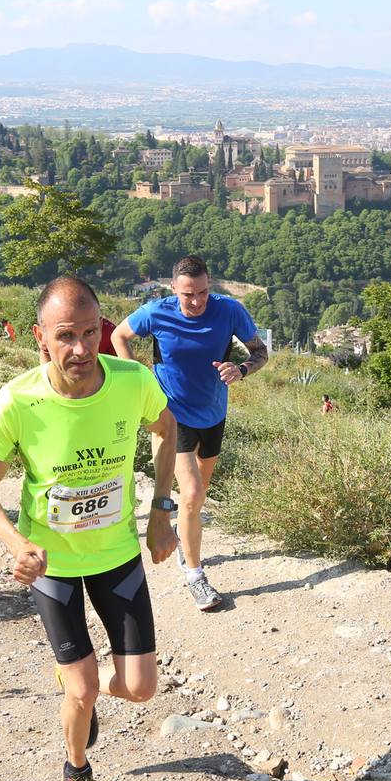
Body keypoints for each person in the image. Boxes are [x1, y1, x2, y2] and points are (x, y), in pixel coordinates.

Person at [0, 276, 179, 781]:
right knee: (82, 693)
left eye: (90, 332)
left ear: (103, 329)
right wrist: (18, 547)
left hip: (117, 554)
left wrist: (161, 509)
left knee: (140, 687)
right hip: (53, 565)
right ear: (40, 337)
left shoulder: (132, 381)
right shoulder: (18, 400)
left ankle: (78, 683)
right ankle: (77, 769)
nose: (81, 348)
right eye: (65, 336)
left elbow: (167, 428)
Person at [112, 255, 269, 612]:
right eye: (188, 295)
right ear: (173, 290)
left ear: (209, 285)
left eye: (202, 292)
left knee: (196, 499)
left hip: (214, 414)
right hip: (172, 417)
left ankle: (185, 541)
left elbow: (260, 352)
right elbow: (120, 335)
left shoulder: (229, 311)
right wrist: (140, 379)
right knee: (193, 492)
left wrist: (241, 369)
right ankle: (196, 575)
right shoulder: (156, 312)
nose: (197, 301)